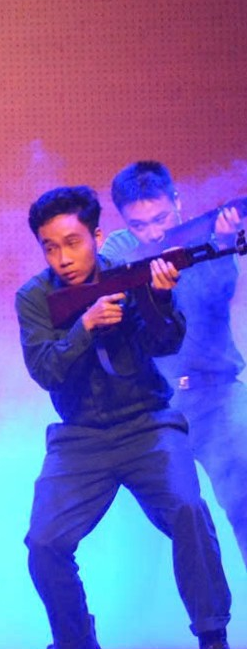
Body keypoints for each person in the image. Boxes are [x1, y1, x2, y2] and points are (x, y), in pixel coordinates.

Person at [16, 184, 239, 649]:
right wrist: (85, 326)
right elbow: (45, 370)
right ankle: (75, 642)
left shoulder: (130, 275)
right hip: (80, 437)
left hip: (147, 423)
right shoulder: (34, 297)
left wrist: (159, 296)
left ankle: (213, 636)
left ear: (97, 237)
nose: (63, 258)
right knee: (44, 542)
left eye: (73, 243)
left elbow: (165, 344)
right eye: (50, 247)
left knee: (189, 509)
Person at [103, 161, 247, 572]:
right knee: (182, 519)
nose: (153, 233)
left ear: (177, 202)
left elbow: (219, 296)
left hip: (218, 396)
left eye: (161, 219)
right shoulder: (118, 252)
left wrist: (222, 243)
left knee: (244, 503)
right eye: (139, 224)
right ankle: (207, 610)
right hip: (161, 406)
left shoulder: (205, 238)